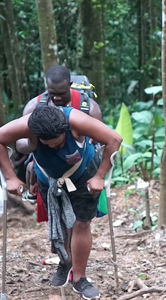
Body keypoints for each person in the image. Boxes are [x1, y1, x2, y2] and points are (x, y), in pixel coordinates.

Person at [0, 105, 121, 300]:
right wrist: (10, 177)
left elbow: (114, 139)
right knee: (58, 223)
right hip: (48, 177)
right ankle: (65, 262)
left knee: (81, 222)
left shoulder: (75, 121)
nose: (53, 147)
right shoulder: (27, 126)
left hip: (83, 174)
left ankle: (79, 278)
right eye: (47, 144)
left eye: (57, 143)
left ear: (65, 131)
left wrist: (100, 176)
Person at [17, 66, 103, 218]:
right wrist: (33, 144)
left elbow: (101, 140)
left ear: (70, 85)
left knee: (81, 223)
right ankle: (33, 191)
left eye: (61, 93)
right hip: (47, 169)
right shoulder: (34, 107)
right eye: (52, 93)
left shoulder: (89, 108)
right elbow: (19, 142)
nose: (56, 98)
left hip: (81, 166)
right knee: (31, 166)